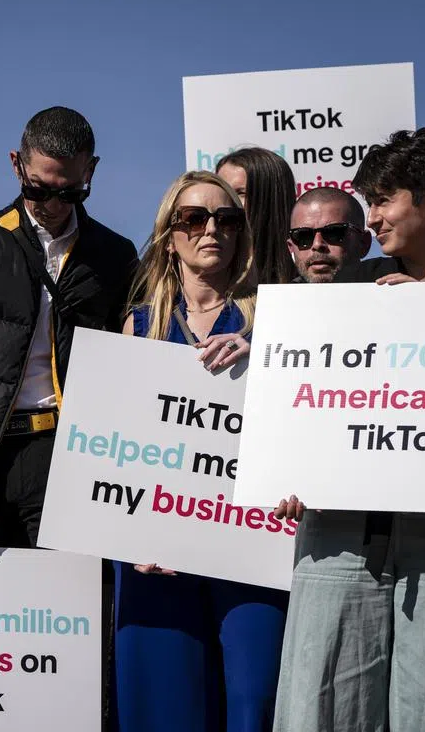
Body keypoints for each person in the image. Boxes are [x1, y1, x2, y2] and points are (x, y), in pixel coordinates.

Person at [272, 128, 425, 732]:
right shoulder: (355, 287)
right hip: (346, 530)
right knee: (324, 707)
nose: (371, 218)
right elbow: (296, 381)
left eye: (382, 201)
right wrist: (285, 469)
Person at [114, 171, 288, 731]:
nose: (211, 228)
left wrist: (264, 355)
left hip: (250, 544)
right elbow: (116, 446)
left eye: (226, 218)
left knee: (254, 700)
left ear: (241, 234)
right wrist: (127, 529)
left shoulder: (275, 320)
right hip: (156, 553)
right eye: (194, 218)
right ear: (170, 236)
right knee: (165, 708)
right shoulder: (138, 326)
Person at [0, 106, 138, 562]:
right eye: (38, 188)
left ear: (91, 170)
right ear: (16, 164)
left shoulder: (116, 254)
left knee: (72, 612)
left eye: (72, 192)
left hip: (74, 458)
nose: (55, 204)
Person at [217, 147, 297, 284]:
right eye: (221, 191)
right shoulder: (206, 270)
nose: (224, 202)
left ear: (271, 200)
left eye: (240, 193)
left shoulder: (305, 277)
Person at [288, 186, 370, 283]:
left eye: (334, 232)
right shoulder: (275, 297)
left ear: (364, 243)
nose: (317, 244)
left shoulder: (390, 290)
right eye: (303, 236)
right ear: (291, 247)